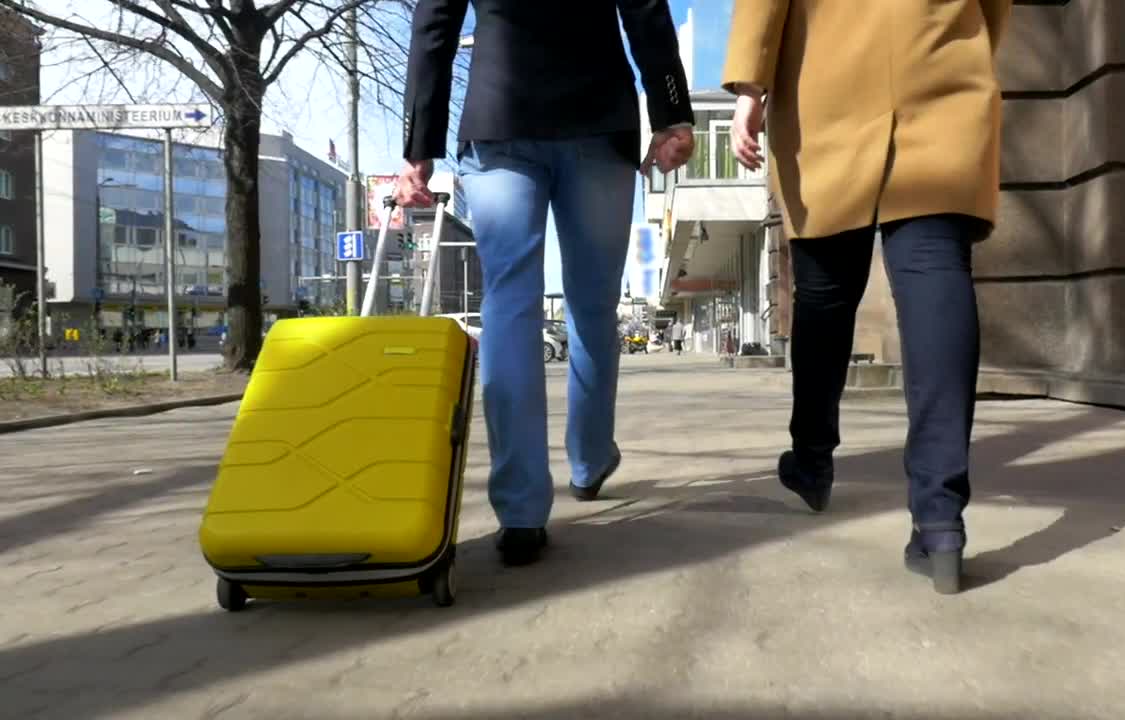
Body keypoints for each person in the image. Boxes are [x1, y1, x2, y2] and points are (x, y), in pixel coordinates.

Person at [723, 0, 1011, 594]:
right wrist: (971, 40)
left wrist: (750, 87)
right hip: (942, 58)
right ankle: (939, 518)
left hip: (828, 78)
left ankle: (812, 458)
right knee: (936, 274)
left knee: (824, 291)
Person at [395, 0, 695, 567]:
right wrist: (671, 112)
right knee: (593, 304)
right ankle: (588, 461)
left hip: (500, 118)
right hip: (598, 117)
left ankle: (522, 510)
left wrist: (419, 149)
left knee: (508, 303)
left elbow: (433, 25)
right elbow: (646, 10)